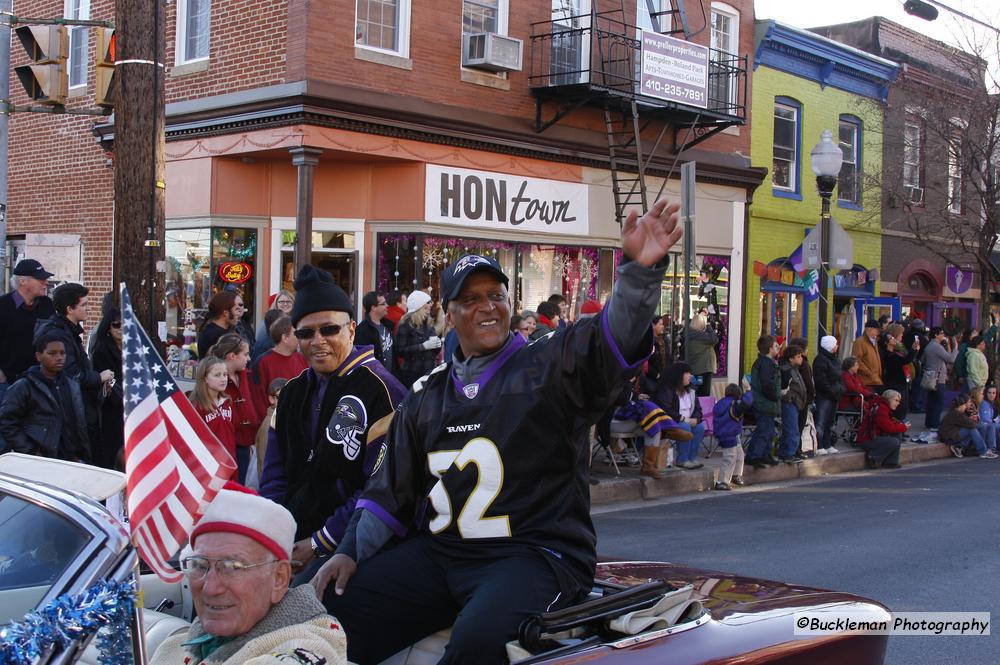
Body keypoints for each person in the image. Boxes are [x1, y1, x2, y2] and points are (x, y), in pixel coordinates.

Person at [309, 197, 685, 665]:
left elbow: (612, 339)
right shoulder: (427, 396)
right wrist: (347, 553)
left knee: (479, 641)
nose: (487, 307)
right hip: (444, 551)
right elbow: (389, 494)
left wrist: (639, 274)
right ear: (449, 315)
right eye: (471, 299)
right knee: (341, 608)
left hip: (533, 555)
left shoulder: (548, 365)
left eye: (496, 296)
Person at [260, 265, 406, 579]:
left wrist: (318, 542)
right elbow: (274, 476)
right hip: (289, 542)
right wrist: (275, 536)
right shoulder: (292, 393)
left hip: (350, 551)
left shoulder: (384, 392)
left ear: (351, 329)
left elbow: (378, 489)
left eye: (329, 329)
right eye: (306, 333)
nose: (318, 340)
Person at [150, 484, 348, 665]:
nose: (210, 588)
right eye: (200, 565)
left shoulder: (308, 648)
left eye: (233, 566)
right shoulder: (172, 647)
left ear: (279, 579)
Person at [34, 283, 114, 451]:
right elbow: (71, 374)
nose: (88, 309)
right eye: (84, 305)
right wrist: (98, 377)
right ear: (69, 309)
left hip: (73, 409)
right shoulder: (58, 335)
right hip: (67, 414)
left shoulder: (68, 332)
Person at [0, 335, 89, 460]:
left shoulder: (71, 385)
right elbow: (7, 421)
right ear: (39, 356)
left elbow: (77, 422)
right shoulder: (25, 386)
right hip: (39, 458)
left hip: (69, 456)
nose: (59, 358)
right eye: (52, 353)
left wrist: (80, 452)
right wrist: (30, 450)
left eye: (62, 353)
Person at [209, 333, 261, 483]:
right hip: (225, 446)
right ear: (232, 356)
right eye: (245, 354)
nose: (249, 358)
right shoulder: (215, 380)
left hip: (245, 443)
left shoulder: (244, 376)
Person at [0, 259, 55, 401]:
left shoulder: (47, 305)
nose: (45, 283)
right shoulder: (3, 306)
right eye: (40, 279)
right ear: (23, 281)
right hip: (7, 383)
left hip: (40, 382)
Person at [249, 316, 308, 417]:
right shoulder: (263, 362)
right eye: (297, 334)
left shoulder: (302, 358)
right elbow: (258, 400)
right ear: (285, 338)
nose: (300, 338)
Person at [90, 307, 125, 469]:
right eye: (116, 325)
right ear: (108, 328)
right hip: (112, 407)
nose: (121, 328)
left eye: (124, 324)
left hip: (130, 404)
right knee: (114, 448)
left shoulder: (132, 349)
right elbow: (104, 379)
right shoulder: (102, 350)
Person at [653, 361, 705, 470]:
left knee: (700, 427)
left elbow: (698, 409)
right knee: (685, 427)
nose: (690, 376)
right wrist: (682, 419)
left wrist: (696, 419)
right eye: (687, 373)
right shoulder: (667, 389)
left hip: (687, 421)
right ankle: (683, 460)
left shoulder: (691, 390)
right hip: (669, 422)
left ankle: (692, 458)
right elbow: (665, 409)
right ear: (678, 375)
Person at [190, 356, 237, 465]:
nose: (223, 379)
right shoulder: (197, 406)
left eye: (225, 374)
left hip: (229, 461)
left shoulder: (227, 402)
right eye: (217, 375)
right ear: (205, 378)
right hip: (208, 464)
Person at [746, 335, 781, 469]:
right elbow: (767, 384)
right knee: (764, 430)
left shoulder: (766, 362)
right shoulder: (765, 364)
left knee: (769, 430)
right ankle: (754, 455)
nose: (778, 348)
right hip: (765, 402)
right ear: (770, 348)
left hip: (766, 402)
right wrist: (775, 396)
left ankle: (766, 454)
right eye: (776, 346)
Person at [395, 290, 442, 388]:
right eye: (427, 303)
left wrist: (437, 344)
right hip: (412, 375)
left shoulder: (428, 324)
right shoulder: (405, 325)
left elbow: (434, 352)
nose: (430, 305)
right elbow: (400, 351)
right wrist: (423, 346)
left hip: (429, 374)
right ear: (419, 306)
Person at [855, 389, 906, 469]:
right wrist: (903, 427)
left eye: (898, 401)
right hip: (866, 439)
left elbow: (889, 424)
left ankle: (891, 462)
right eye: (896, 400)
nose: (898, 403)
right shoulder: (881, 408)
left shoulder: (883, 406)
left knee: (897, 434)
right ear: (889, 399)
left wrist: (900, 425)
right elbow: (888, 427)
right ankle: (873, 458)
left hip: (873, 437)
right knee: (894, 441)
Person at [712, 384, 750, 490]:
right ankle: (722, 481)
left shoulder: (720, 403)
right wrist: (750, 391)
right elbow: (746, 403)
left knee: (739, 454)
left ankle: (735, 475)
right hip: (730, 434)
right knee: (730, 457)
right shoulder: (735, 404)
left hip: (724, 433)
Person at [921, 326, 959, 433]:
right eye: (941, 333)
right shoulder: (936, 346)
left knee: (932, 401)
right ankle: (934, 424)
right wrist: (956, 346)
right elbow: (950, 359)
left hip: (931, 377)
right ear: (936, 335)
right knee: (938, 402)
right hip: (938, 379)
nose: (943, 335)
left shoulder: (929, 345)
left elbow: (923, 360)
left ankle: (929, 423)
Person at [938, 393, 997, 459]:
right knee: (972, 429)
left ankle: (979, 449)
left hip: (954, 433)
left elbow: (970, 422)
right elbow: (971, 424)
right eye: (969, 402)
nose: (970, 404)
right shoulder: (956, 413)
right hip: (949, 437)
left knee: (985, 426)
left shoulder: (960, 412)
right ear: (963, 404)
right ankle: (982, 451)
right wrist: (980, 423)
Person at [812, 335, 844, 455]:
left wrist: (841, 389)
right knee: (821, 421)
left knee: (830, 422)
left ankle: (827, 443)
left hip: (835, 394)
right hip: (824, 396)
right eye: (835, 344)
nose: (837, 346)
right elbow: (821, 380)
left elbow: (840, 376)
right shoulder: (820, 360)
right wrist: (832, 390)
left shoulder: (834, 359)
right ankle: (819, 445)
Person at [254, 378, 288, 481]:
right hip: (275, 486)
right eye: (281, 397)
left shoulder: (283, 419)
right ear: (271, 399)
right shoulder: (269, 426)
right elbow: (266, 462)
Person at [778, 344, 807, 464]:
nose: (801, 358)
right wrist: (791, 397)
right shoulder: (786, 370)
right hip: (790, 403)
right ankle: (788, 454)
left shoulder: (795, 369)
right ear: (791, 358)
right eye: (798, 356)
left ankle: (788, 452)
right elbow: (783, 389)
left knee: (793, 428)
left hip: (797, 403)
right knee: (792, 429)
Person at [882, 323, 916, 421]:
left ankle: (901, 429)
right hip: (895, 384)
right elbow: (904, 361)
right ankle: (896, 431)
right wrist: (913, 350)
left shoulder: (899, 349)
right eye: (900, 334)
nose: (902, 336)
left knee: (903, 408)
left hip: (902, 383)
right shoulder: (890, 354)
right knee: (898, 409)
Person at [354, 291, 394, 372]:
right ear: (373, 307)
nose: (387, 305)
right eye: (383, 304)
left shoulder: (387, 325)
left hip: (391, 378)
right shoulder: (363, 330)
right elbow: (363, 361)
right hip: (376, 379)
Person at [198, 291, 245, 358]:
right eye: (237, 309)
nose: (240, 314)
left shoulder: (229, 330)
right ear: (226, 313)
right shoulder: (212, 335)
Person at [253, 291, 295, 359]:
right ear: (276, 303)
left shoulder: (297, 320)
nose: (285, 304)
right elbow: (260, 340)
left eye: (288, 301)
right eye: (281, 301)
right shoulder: (268, 320)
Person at [685, 313, 718, 397]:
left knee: (695, 392)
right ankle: (700, 409)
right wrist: (708, 326)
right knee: (703, 394)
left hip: (695, 369)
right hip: (704, 370)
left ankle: (695, 408)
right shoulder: (700, 337)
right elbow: (714, 339)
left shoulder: (690, 335)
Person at [852, 320, 884, 390]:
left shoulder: (874, 341)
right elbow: (856, 360)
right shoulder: (860, 342)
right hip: (866, 381)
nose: (878, 333)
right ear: (869, 329)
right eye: (876, 330)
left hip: (876, 380)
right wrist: (870, 373)